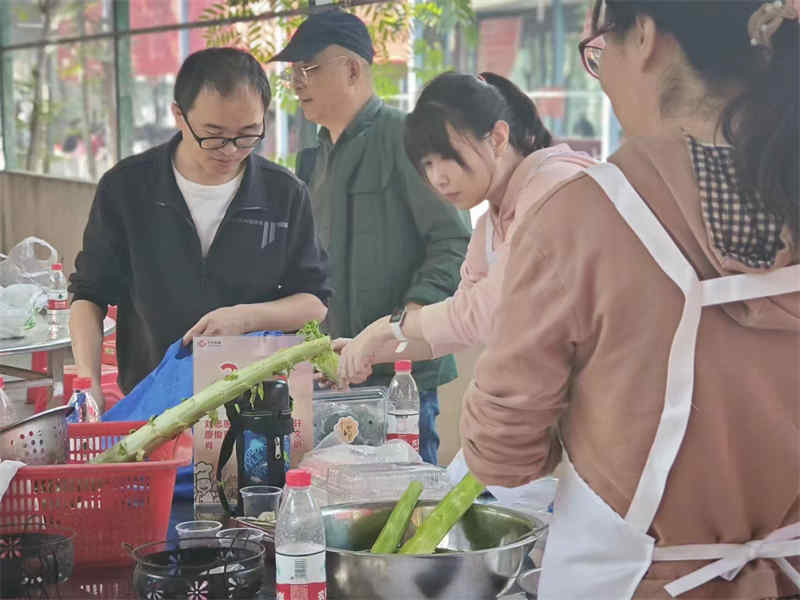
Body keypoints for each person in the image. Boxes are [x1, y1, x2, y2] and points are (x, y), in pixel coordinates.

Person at [461, 1, 800, 599]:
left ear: (643, 35)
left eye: (599, 51)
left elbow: (501, 453)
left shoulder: (582, 217)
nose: (605, 76)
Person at [69, 48, 331, 410]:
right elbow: (88, 293)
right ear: (179, 115)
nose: (231, 150)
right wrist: (89, 383)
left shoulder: (284, 194)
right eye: (214, 135)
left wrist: (244, 317)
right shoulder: (127, 188)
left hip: (255, 405)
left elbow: (314, 302)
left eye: (248, 135)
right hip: (151, 403)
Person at [270, 10, 471, 465]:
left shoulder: (405, 137)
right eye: (293, 73)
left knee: (406, 511)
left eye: (309, 69)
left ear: (353, 69)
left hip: (401, 376)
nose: (297, 83)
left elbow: (453, 242)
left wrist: (404, 323)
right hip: (337, 378)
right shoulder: (316, 159)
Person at [336, 71, 594, 387]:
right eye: (427, 164)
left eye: (446, 156)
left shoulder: (552, 187)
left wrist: (385, 328)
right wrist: (365, 349)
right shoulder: (489, 225)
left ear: (497, 138)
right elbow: (452, 330)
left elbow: (487, 309)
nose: (438, 178)